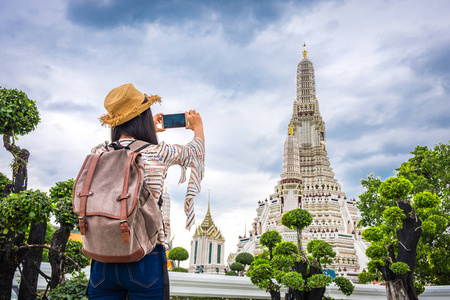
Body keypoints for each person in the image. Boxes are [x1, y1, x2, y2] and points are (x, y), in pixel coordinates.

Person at [87, 83, 205, 299]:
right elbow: (195, 152)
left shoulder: (98, 152)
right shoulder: (158, 152)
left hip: (102, 255)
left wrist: (144, 132)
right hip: (145, 254)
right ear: (144, 118)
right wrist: (197, 126)